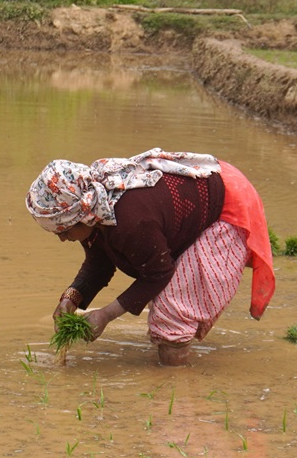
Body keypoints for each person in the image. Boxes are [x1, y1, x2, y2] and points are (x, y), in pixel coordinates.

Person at [26, 148, 276, 366]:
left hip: (227, 205)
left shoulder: (130, 219)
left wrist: (106, 314)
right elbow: (99, 263)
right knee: (168, 306)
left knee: (172, 313)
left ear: (81, 215)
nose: (61, 238)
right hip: (210, 185)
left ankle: (175, 387)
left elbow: (158, 274)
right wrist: (71, 298)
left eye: (64, 230)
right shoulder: (97, 208)